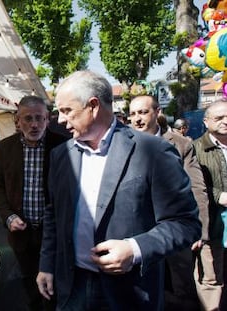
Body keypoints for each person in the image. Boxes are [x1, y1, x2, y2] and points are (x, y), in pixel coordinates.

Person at [36, 70, 201, 310]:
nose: (60, 120)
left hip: (129, 291)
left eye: (66, 111)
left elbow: (186, 223)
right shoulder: (61, 155)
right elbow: (53, 215)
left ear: (93, 106)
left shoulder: (153, 151)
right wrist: (47, 265)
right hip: (73, 285)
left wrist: (135, 249)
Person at [129, 95, 209, 310]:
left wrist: (198, 228)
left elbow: (196, 187)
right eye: (133, 113)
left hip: (175, 230)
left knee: (182, 289)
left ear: (157, 113)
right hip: (139, 232)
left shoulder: (181, 144)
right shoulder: (123, 144)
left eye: (143, 112)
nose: (137, 119)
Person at [0, 95, 68, 311]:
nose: (34, 124)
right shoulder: (5, 148)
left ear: (47, 119)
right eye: (28, 119)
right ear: (18, 121)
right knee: (29, 284)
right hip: (21, 234)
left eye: (39, 118)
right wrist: (8, 216)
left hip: (53, 234)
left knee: (54, 285)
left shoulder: (62, 146)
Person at [193, 99, 227, 310]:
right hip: (212, 223)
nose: (226, 121)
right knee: (211, 277)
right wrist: (218, 196)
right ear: (206, 122)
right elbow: (193, 186)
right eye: (219, 118)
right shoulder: (195, 148)